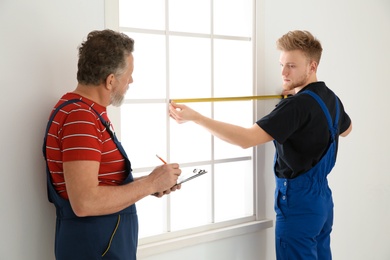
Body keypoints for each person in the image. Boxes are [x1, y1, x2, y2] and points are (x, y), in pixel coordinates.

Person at [169, 30, 352, 259]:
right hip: (322, 204)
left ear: (312, 66)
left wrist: (197, 118)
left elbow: (246, 139)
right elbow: (346, 129)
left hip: (298, 205)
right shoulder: (331, 98)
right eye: (282, 64)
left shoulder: (296, 107)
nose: (284, 73)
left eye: (292, 66)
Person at [42, 29, 181, 260]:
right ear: (110, 80)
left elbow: (100, 184)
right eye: (129, 74)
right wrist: (150, 184)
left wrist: (151, 184)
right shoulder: (81, 118)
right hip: (94, 249)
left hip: (102, 245)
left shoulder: (85, 112)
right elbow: (85, 202)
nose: (131, 81)